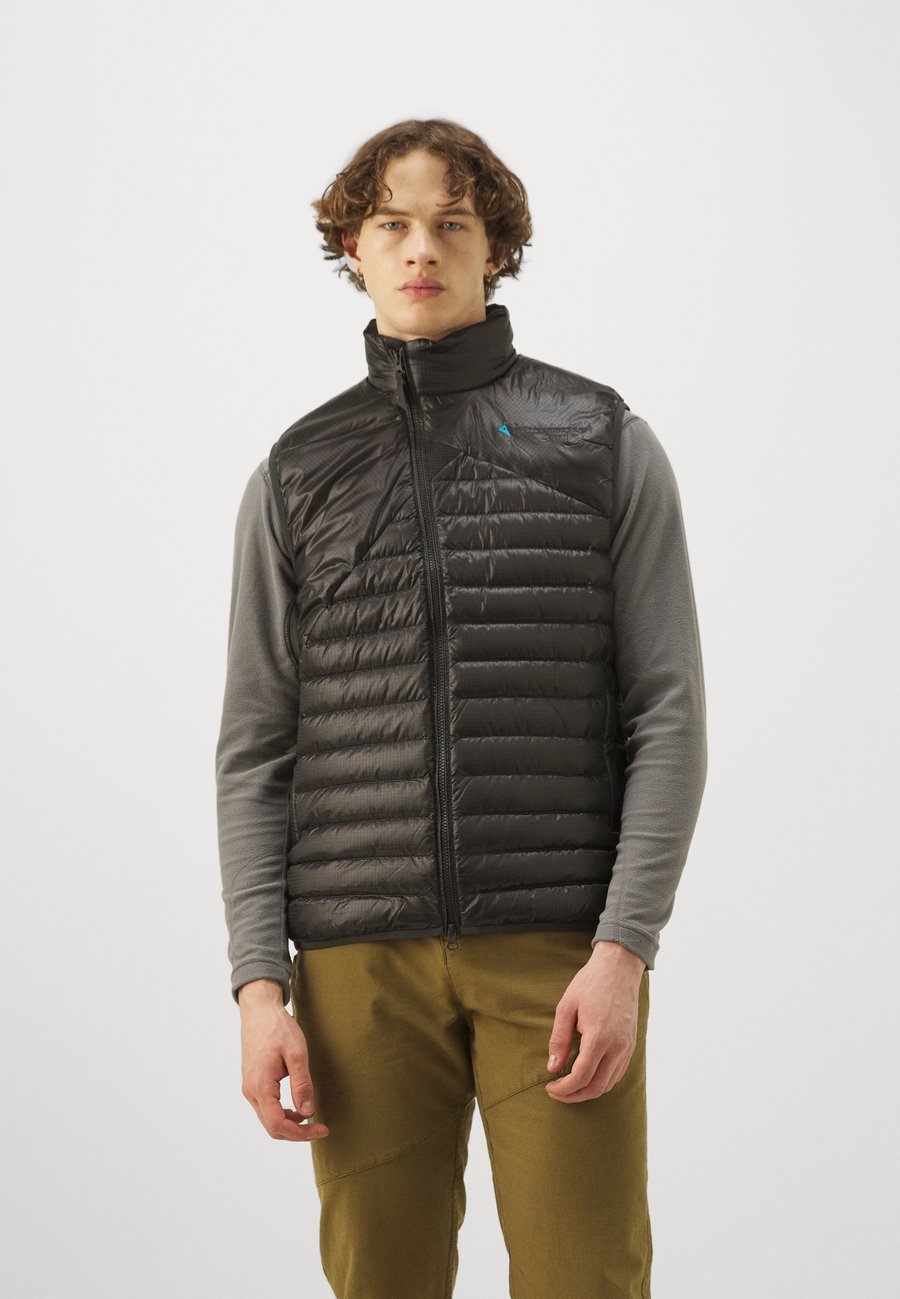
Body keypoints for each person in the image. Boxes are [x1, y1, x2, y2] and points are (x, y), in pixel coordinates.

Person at [215, 117, 707, 1299]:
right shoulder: (296, 473)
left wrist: (623, 952)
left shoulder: (602, 442)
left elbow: (668, 714)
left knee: (587, 1279)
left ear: (498, 248)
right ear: (354, 246)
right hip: (356, 965)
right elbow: (256, 748)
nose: (421, 248)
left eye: (452, 222)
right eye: (392, 223)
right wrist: (259, 987)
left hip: (557, 953)